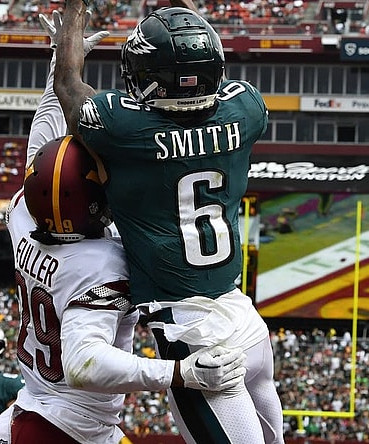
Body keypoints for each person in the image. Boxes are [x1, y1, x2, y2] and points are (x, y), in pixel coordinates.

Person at [0, 13, 246, 444]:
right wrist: (179, 373)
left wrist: (63, 60)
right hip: (66, 430)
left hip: (41, 409)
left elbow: (45, 141)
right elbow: (85, 363)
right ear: (95, 203)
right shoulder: (104, 262)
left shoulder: (22, 213)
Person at [54, 4, 285, 443]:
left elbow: (68, 84)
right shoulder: (247, 109)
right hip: (244, 318)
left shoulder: (123, 127)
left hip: (194, 334)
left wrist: (72, 20)